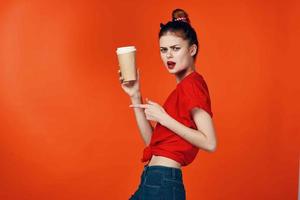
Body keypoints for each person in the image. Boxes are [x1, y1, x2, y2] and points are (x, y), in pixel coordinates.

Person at [118, 8, 217, 200]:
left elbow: (210, 142)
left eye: (175, 48)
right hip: (152, 180)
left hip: (162, 183)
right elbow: (152, 144)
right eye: (164, 50)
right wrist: (135, 95)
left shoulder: (193, 85)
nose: (168, 56)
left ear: (192, 49)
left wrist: (164, 117)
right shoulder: (181, 90)